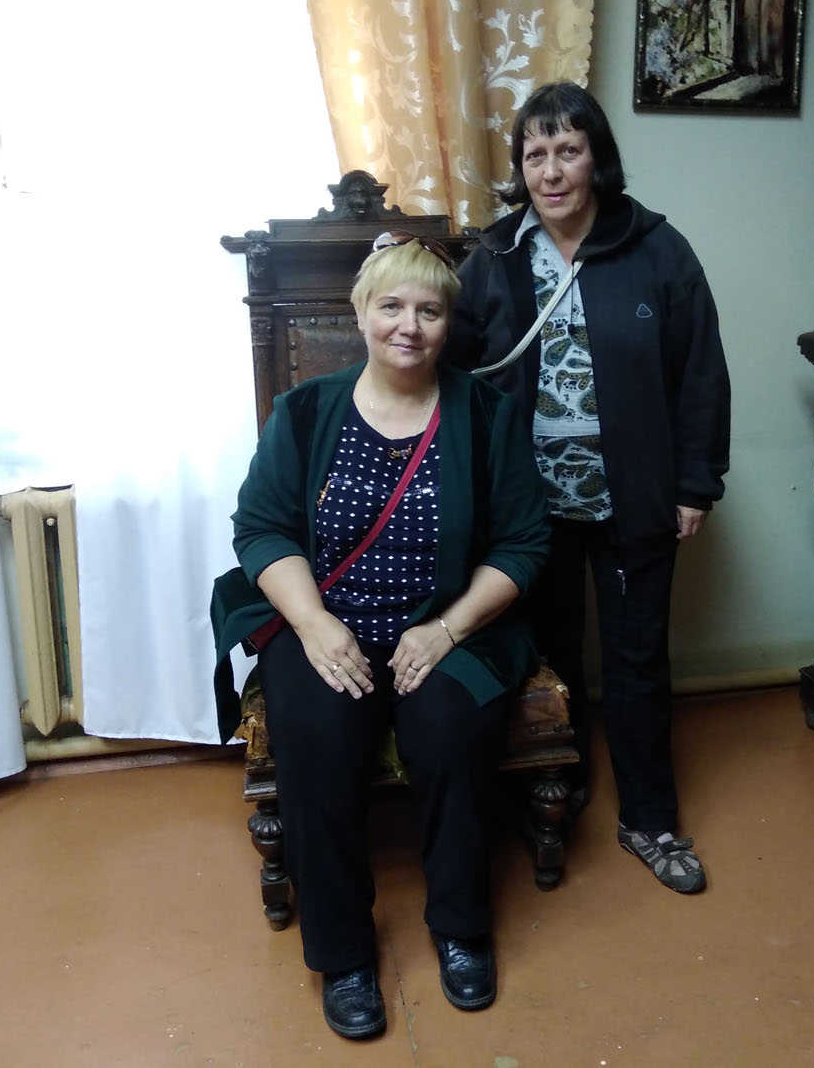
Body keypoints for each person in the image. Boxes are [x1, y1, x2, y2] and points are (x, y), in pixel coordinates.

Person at [210, 232, 549, 1041]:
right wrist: (313, 623)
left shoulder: (488, 417)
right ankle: (344, 953)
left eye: (429, 310)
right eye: (391, 305)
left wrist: (446, 629)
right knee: (318, 738)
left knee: (452, 731)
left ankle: (461, 925)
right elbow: (261, 528)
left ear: (448, 323)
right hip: (325, 623)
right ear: (360, 312)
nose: (409, 325)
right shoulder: (306, 412)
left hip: (446, 626)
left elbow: (523, 544)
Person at [447, 81, 731, 895]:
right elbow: (450, 359)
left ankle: (650, 817)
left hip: (634, 496)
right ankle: (558, 789)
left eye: (567, 150)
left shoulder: (657, 249)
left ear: (596, 157)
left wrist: (695, 483)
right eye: (534, 153)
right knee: (552, 650)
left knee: (638, 657)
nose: (550, 170)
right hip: (531, 511)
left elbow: (701, 370)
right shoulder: (497, 256)